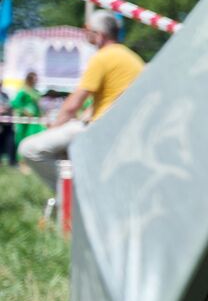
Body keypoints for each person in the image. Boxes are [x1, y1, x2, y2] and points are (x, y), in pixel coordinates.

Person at [18, 13, 144, 190]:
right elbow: (111, 98)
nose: (85, 35)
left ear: (99, 34)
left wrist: (53, 128)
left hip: (101, 129)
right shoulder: (131, 58)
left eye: (87, 31)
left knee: (30, 149)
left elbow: (72, 105)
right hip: (122, 129)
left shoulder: (103, 58)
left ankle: (73, 194)